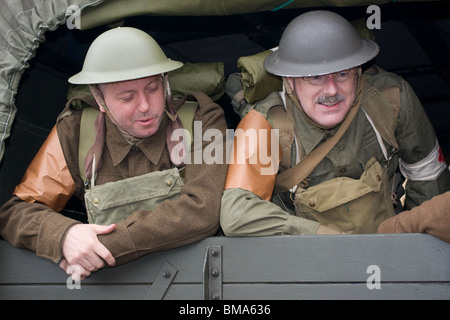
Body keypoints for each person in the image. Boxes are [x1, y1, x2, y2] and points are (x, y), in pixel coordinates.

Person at [0, 27, 228, 279]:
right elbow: (15, 213)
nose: (145, 106)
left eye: (153, 89)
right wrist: (65, 235)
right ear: (99, 100)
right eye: (127, 97)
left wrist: (97, 248)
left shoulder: (201, 120)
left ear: (165, 82)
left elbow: (202, 210)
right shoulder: (76, 132)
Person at [220, 11, 450, 237]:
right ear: (289, 80)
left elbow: (428, 178)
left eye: (342, 74)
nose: (331, 90)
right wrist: (317, 235)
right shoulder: (265, 122)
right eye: (315, 77)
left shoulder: (391, 99)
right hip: (306, 259)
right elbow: (237, 213)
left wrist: (419, 251)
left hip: (389, 246)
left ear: (358, 72)